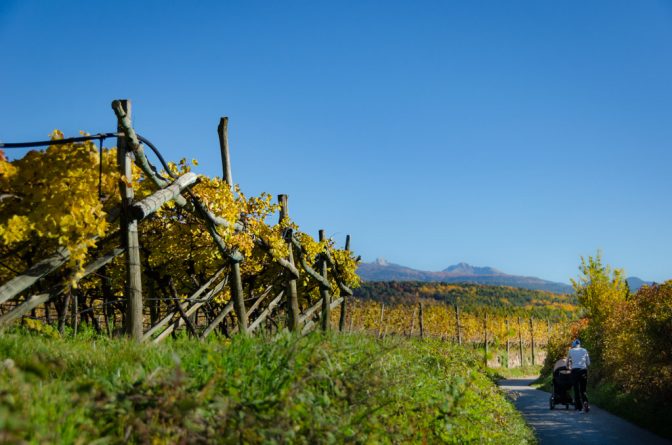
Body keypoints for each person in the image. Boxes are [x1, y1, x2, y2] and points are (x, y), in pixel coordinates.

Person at [566, 339, 590, 412]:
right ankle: (585, 402)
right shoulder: (584, 350)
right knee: (583, 390)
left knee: (576, 389)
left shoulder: (571, 351)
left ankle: (578, 407)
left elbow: (567, 362)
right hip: (583, 371)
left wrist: (568, 367)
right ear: (580, 344)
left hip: (575, 371)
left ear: (573, 345)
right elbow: (588, 363)